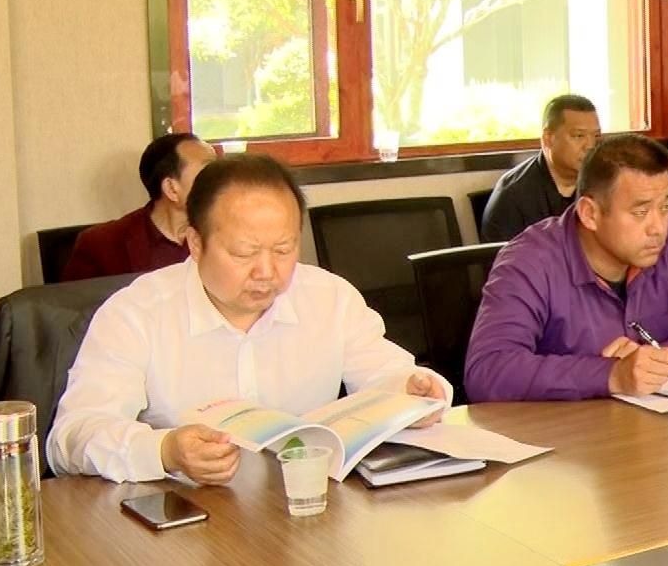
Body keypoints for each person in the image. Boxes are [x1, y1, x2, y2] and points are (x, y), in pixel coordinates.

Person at [47, 154, 447, 484]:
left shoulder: (330, 298)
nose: (267, 272)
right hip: (183, 522)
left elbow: (385, 374)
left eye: (284, 249)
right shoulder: (136, 313)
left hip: (303, 513)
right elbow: (71, 437)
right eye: (244, 253)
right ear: (195, 243)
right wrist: (164, 450)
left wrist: (412, 392)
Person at [466, 134, 668, 402]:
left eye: (665, 207)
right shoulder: (529, 261)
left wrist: (663, 358)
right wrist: (611, 375)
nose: (658, 227)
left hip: (656, 426)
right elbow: (487, 371)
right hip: (563, 434)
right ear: (590, 214)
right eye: (641, 211)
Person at [62, 133, 217, 281]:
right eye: (207, 172)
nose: (221, 182)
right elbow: (77, 300)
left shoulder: (222, 234)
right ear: (171, 189)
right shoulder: (100, 245)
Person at [480, 94, 601, 242]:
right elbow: (504, 256)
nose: (590, 146)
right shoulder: (512, 196)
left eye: (596, 136)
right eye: (578, 136)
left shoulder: (603, 183)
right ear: (548, 138)